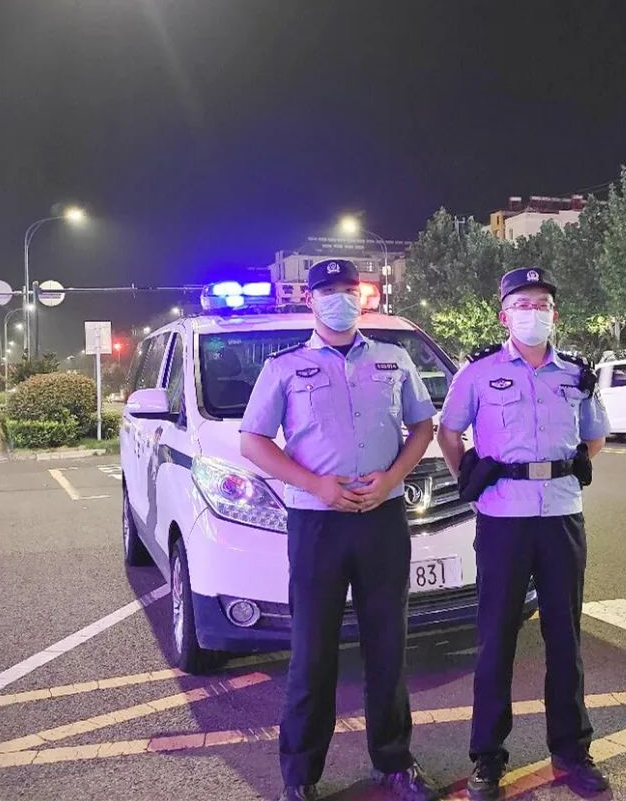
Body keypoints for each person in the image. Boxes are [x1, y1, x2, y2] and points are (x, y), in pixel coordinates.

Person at [240, 259, 441, 801]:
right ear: (309, 299)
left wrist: (392, 478)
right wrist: (316, 485)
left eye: (349, 288)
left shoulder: (393, 359)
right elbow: (252, 441)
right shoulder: (285, 367)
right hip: (317, 523)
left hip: (383, 519)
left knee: (388, 647)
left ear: (363, 295)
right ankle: (299, 777)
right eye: (328, 289)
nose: (340, 298)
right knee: (312, 653)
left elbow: (423, 426)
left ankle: (394, 763)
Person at [436, 267, 610, 800]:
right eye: (522, 304)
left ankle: (572, 751)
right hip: (502, 519)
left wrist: (564, 472)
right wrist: (472, 481)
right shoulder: (478, 372)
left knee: (565, 638)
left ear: (554, 314)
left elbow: (594, 436)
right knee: (496, 639)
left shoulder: (576, 374)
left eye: (541, 304)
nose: (533, 312)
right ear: (503, 315)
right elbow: (448, 432)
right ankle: (487, 757)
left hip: (561, 515)